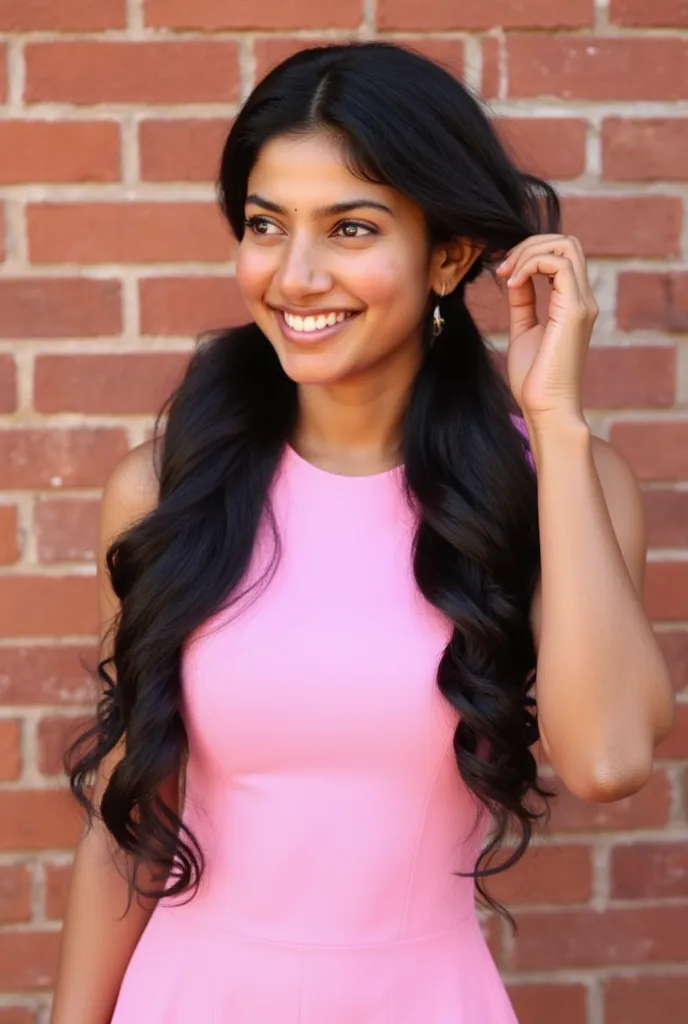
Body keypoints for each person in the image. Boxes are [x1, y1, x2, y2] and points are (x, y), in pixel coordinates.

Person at [50, 41, 675, 1024]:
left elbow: (605, 759)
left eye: (349, 227)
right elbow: (133, 823)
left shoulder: (562, 483)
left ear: (450, 255)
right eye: (265, 224)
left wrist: (554, 423)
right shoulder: (164, 492)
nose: (295, 276)